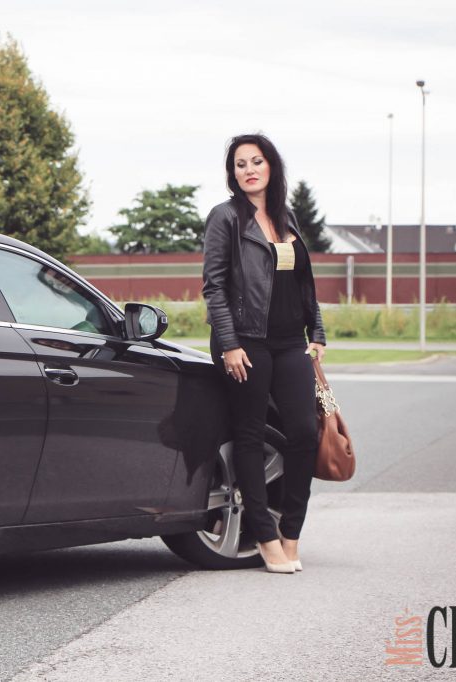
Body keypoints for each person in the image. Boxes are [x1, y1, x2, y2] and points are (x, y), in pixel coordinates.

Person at [201, 133, 326, 574]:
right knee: (250, 435)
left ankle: (291, 532)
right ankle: (266, 538)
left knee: (304, 434)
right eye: (240, 164)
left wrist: (318, 332)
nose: (248, 169)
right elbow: (214, 285)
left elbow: (303, 284)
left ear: (271, 166)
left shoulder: (285, 216)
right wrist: (230, 342)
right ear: (232, 173)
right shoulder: (226, 218)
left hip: (292, 342)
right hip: (247, 342)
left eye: (256, 161)